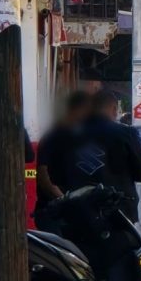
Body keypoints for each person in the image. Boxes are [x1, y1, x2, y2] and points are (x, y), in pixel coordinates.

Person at [70, 89, 141, 222]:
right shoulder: (127, 133)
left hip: (80, 212)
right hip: (119, 212)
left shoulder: (71, 134)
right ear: (114, 109)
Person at [34, 91, 92, 235]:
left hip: (75, 212)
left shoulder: (81, 137)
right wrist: (63, 199)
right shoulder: (52, 137)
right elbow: (43, 176)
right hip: (54, 212)